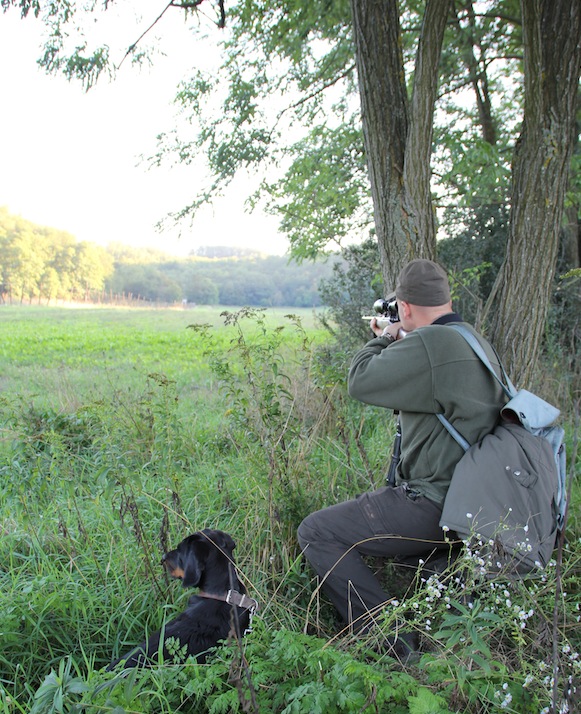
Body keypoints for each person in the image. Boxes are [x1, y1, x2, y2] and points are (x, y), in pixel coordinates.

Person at [297, 258, 506, 659]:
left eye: (400, 312)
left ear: (405, 308)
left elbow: (361, 380)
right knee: (417, 568)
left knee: (317, 532)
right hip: (475, 506)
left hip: (434, 502)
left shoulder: (431, 344)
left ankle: (391, 642)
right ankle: (443, 640)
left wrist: (385, 337)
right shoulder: (473, 341)